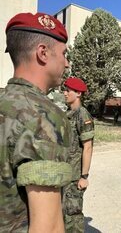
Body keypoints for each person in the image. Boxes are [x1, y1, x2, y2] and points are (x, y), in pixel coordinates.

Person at [0, 12, 72, 232]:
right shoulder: (43, 116)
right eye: (64, 54)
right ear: (43, 53)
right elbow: (47, 227)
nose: (67, 63)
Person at [63, 77, 95, 232]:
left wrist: (84, 176)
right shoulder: (69, 113)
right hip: (65, 174)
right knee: (64, 215)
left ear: (78, 94)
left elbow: (88, 147)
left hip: (75, 176)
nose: (64, 93)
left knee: (73, 215)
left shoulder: (83, 115)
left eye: (68, 90)